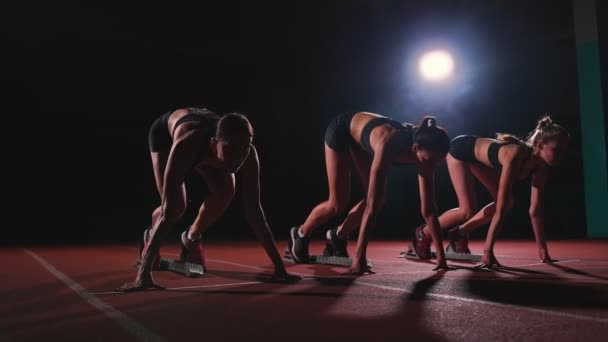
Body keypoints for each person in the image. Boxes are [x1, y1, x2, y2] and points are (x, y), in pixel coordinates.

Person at [118, 107, 297, 292]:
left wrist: (279, 267)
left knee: (226, 191)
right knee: (176, 206)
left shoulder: (248, 154)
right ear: (214, 144)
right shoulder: (187, 145)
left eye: (244, 148)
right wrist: (143, 275)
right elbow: (167, 211)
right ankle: (150, 234)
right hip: (165, 134)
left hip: (206, 141)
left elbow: (254, 211)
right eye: (231, 149)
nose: (238, 157)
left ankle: (191, 237)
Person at [289, 111, 452, 275]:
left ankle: (337, 235)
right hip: (343, 130)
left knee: (378, 200)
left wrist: (441, 256)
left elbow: (429, 210)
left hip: (365, 141)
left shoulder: (427, 156)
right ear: (415, 148)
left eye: (439, 162)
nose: (433, 166)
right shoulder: (389, 143)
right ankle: (301, 232)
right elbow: (371, 208)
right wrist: (359, 258)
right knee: (337, 204)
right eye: (430, 161)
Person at [416, 115, 569, 268]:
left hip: (478, 158)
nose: (561, 156)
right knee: (468, 211)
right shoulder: (516, 156)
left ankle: (459, 233)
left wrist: (543, 253)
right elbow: (500, 209)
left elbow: (535, 211)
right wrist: (487, 252)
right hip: (461, 151)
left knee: (507, 202)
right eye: (557, 150)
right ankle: (424, 233)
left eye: (564, 151)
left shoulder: (541, 168)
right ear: (541, 145)